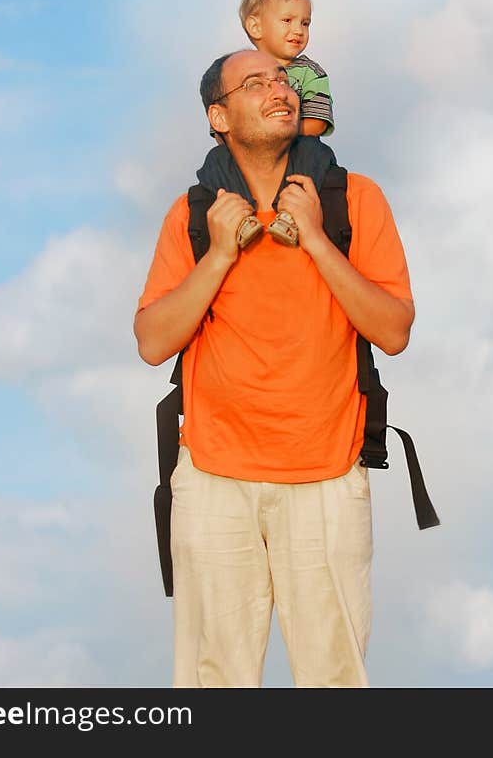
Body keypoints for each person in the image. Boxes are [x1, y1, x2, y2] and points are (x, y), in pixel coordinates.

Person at [134, 48, 415, 688]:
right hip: (212, 476)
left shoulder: (353, 200)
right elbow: (153, 342)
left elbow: (393, 330)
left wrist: (315, 237)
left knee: (333, 680)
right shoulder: (193, 215)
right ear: (219, 115)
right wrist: (217, 256)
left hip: (328, 473)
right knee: (214, 682)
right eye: (255, 82)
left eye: (283, 78)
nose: (279, 88)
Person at [197, 0, 337, 249]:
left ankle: (290, 217)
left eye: (305, 23)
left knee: (315, 154)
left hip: (297, 147)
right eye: (287, 21)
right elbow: (222, 131)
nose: (298, 30)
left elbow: (318, 122)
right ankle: (240, 217)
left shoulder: (311, 73)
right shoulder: (234, 72)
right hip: (252, 161)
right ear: (255, 26)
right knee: (217, 160)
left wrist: (278, 128)